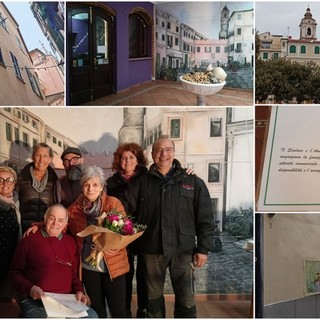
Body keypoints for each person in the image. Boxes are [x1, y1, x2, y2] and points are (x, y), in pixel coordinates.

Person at [121, 135, 215, 318]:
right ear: (152, 153)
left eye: (168, 149)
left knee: (186, 299)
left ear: (174, 152)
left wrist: (203, 249)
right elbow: (123, 210)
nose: (164, 154)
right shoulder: (141, 183)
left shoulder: (192, 182)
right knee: (152, 300)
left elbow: (205, 218)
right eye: (159, 150)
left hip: (183, 251)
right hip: (151, 251)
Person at [9, 204, 97, 318]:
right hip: (36, 301)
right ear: (45, 219)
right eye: (52, 218)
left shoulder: (70, 242)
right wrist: (30, 289)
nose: (55, 223)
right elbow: (15, 273)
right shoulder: (29, 239)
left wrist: (79, 291)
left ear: (65, 223)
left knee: (92, 316)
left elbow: (73, 275)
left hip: (67, 301)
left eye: (60, 220)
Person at [68, 165, 129, 318]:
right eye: (86, 184)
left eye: (95, 185)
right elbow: (61, 224)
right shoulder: (74, 208)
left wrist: (116, 246)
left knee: (118, 310)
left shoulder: (113, 203)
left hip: (113, 266)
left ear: (101, 186)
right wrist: (41, 225)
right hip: (89, 268)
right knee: (97, 309)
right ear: (82, 186)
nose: (90, 189)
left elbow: (126, 230)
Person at [107, 142, 148, 318]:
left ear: (138, 159)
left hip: (145, 232)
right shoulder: (111, 182)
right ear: (118, 161)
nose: (128, 160)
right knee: (125, 274)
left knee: (145, 274)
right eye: (124, 158)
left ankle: (143, 309)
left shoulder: (148, 178)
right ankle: (124, 311)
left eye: (132, 157)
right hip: (122, 234)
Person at [18, 142, 58, 234]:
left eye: (45, 156)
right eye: (38, 155)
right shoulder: (21, 178)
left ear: (50, 159)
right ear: (32, 157)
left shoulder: (55, 182)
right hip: (24, 230)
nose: (41, 160)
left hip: (46, 230)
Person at [0, 167, 20, 296]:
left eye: (9, 179)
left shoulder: (16, 203)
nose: (5, 183)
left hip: (10, 258)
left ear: (14, 183)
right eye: (0, 180)